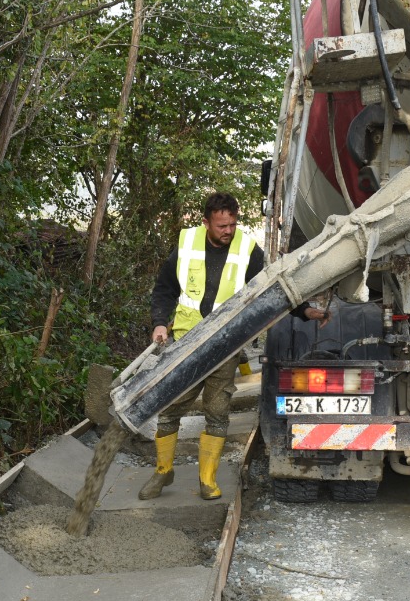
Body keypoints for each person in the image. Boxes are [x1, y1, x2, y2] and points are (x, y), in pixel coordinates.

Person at [141, 191, 329, 500]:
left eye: (232, 224)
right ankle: (162, 472)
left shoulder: (247, 250)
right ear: (206, 222)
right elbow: (164, 289)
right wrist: (160, 322)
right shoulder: (186, 244)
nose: (228, 231)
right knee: (169, 409)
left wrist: (305, 311)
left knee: (217, 412)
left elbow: (270, 291)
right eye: (221, 226)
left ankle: (207, 479)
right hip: (185, 346)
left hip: (224, 347)